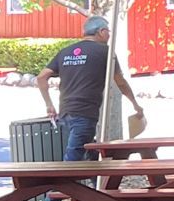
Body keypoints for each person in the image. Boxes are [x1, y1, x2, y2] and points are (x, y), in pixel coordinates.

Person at [36, 15, 139, 162]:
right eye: (108, 31)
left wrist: (49, 105)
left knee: (89, 150)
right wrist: (135, 104)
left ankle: (96, 175)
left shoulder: (66, 51)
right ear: (101, 32)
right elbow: (121, 82)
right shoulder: (105, 52)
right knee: (73, 158)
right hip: (85, 112)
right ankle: (66, 178)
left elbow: (41, 77)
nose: (109, 35)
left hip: (65, 112)